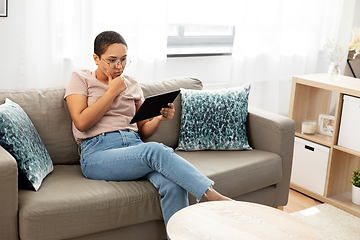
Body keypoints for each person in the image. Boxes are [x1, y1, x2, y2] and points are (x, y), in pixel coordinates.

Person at [64, 30, 231, 228]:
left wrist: (159, 118)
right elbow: (81, 122)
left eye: (124, 59)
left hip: (134, 148)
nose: (119, 66)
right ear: (96, 58)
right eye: (112, 60)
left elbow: (142, 130)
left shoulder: (132, 84)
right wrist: (111, 92)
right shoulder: (81, 78)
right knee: (155, 150)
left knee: (173, 184)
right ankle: (217, 199)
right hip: (97, 153)